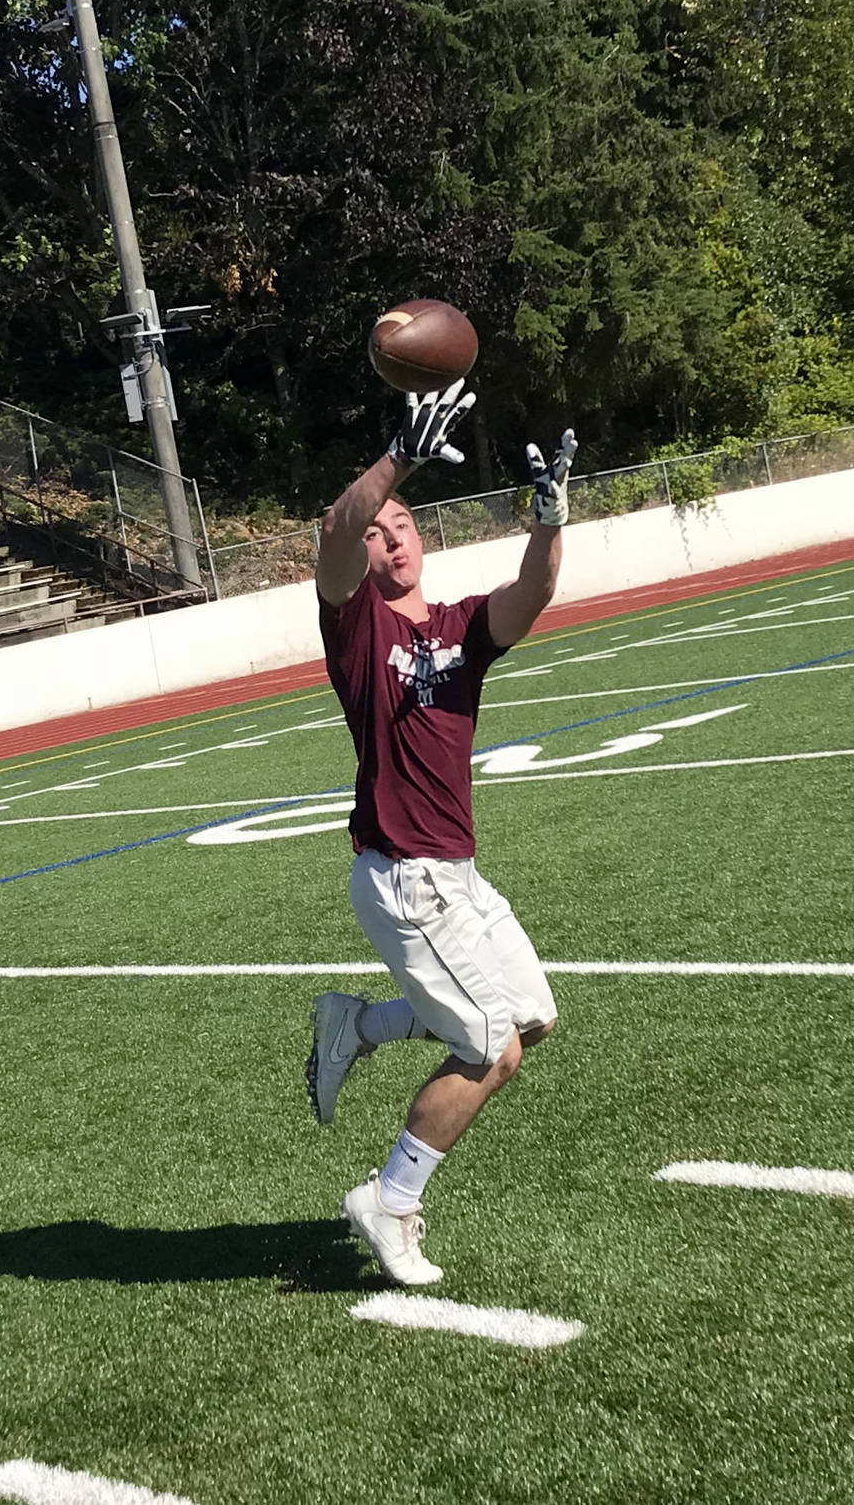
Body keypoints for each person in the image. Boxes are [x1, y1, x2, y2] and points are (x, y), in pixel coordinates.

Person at [308, 378, 577, 1286]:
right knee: (485, 1047)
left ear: (425, 536)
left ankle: (362, 1023)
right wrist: (397, 457)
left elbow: (531, 593)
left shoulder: (461, 627)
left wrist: (549, 519)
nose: (389, 541)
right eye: (379, 531)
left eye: (403, 526)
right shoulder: (355, 625)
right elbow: (333, 534)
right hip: (401, 873)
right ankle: (390, 1200)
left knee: (532, 1020)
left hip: (456, 873)